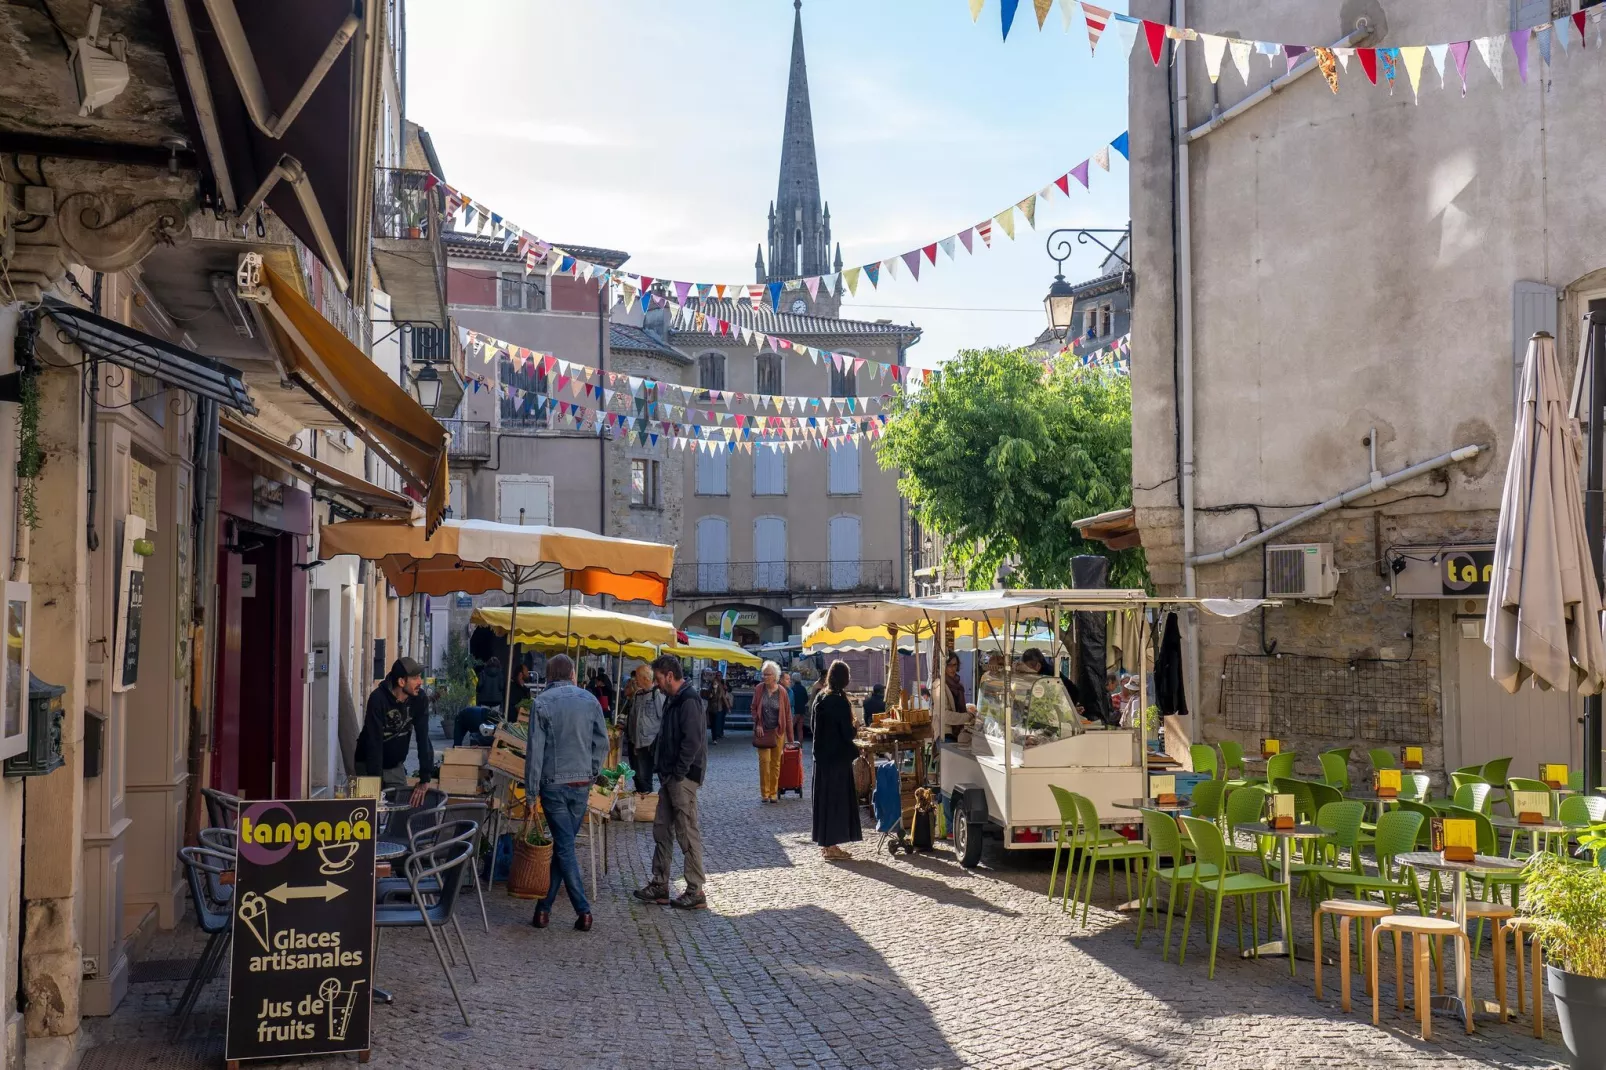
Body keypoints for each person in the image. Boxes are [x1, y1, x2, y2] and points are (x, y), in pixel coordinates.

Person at [525, 654, 609, 932]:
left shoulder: (541, 703)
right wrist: (592, 770)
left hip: (553, 783)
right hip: (581, 784)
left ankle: (583, 911)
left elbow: (535, 753)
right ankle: (543, 909)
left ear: (548, 676)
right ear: (572, 673)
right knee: (565, 846)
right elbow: (602, 742)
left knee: (564, 847)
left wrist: (530, 792)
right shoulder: (590, 700)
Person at [635, 655, 708, 910]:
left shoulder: (689, 700)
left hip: (682, 778)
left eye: (657, 678)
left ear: (669, 675)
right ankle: (660, 884)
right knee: (662, 829)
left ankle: (695, 889)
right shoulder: (674, 699)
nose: (656, 684)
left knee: (686, 831)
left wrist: (678, 772)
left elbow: (692, 742)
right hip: (670, 775)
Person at [357, 657, 434, 804]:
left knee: (400, 811)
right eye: (415, 678)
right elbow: (374, 743)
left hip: (394, 766)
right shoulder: (378, 699)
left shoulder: (419, 699)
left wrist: (425, 778)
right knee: (370, 813)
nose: (420, 682)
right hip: (367, 765)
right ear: (401, 682)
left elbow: (423, 738)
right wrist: (375, 786)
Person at [810, 660, 863, 861]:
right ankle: (831, 846)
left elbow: (815, 729)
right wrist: (855, 726)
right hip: (837, 759)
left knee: (824, 801)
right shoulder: (839, 702)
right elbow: (846, 733)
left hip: (821, 758)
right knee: (835, 802)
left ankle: (826, 844)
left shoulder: (820, 698)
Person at [751, 660, 794, 804]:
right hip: (763, 732)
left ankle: (773, 793)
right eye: (763, 674)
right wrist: (758, 723)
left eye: (767, 674)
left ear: (774, 676)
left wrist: (790, 738)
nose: (764, 677)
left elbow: (787, 715)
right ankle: (765, 793)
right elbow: (753, 707)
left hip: (777, 732)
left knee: (775, 763)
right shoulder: (759, 689)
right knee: (764, 761)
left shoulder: (782, 692)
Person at [623, 664, 663, 794]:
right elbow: (633, 717)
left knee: (644, 775)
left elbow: (663, 719)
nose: (636, 680)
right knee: (637, 775)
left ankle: (646, 802)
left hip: (649, 743)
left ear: (645, 678)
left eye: (638, 677)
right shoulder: (637, 695)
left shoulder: (657, 695)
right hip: (635, 742)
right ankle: (641, 800)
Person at [940, 651, 970, 743]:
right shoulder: (940, 685)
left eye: (955, 665)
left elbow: (959, 708)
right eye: (949, 665)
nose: (952, 668)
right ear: (944, 666)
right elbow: (944, 715)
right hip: (945, 734)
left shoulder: (959, 686)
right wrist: (967, 717)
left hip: (958, 732)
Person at [705, 671, 730, 744]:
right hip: (710, 709)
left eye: (716, 684)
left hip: (718, 708)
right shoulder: (710, 690)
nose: (715, 685)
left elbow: (724, 698)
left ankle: (715, 738)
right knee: (712, 723)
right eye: (714, 684)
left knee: (715, 723)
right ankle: (714, 736)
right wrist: (709, 696)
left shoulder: (721, 688)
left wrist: (728, 707)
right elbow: (706, 696)